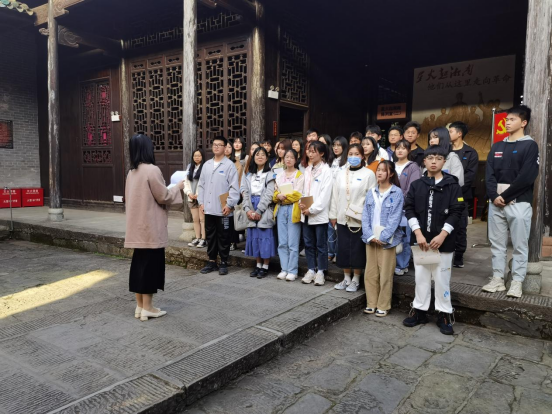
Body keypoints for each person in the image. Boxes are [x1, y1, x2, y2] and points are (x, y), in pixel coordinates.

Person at [402, 145, 464, 335]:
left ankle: (444, 314)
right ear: (424, 161)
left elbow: (456, 211)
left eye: (438, 158)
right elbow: (409, 208)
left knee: (442, 279)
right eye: (430, 158)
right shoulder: (417, 185)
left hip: (443, 241)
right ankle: (419, 310)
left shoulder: (452, 185)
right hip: (422, 241)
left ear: (444, 161)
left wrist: (443, 234)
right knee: (421, 277)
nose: (434, 161)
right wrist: (418, 233)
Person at [124, 134, 185, 321]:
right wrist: (178, 187)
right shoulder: (152, 170)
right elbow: (163, 196)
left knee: (139, 266)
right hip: (151, 227)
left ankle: (140, 306)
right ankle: (148, 308)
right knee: (151, 267)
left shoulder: (131, 172)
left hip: (137, 227)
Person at [482, 105, 539, 298]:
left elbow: (527, 176)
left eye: (512, 119)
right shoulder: (497, 146)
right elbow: (489, 174)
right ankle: (497, 279)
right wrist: (494, 196)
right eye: (506, 119)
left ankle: (516, 282)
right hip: (496, 203)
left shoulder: (530, 146)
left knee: (520, 245)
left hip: (519, 202)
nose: (507, 122)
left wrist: (504, 196)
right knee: (497, 244)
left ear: (524, 123)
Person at [330, 144, 376, 292]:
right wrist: (333, 215)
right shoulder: (341, 173)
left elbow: (371, 198)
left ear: (362, 156)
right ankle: (346, 278)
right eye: (351, 154)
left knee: (357, 249)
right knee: (343, 248)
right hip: (342, 216)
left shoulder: (369, 174)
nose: (353, 157)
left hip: (359, 218)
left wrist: (368, 218)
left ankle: (356, 279)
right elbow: (335, 195)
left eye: (357, 154)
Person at [362, 161, 404, 317]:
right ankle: (371, 303)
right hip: (371, 238)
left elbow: (395, 218)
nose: (379, 173)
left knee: (385, 274)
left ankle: (383, 305)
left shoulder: (396, 192)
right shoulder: (371, 192)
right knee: (370, 273)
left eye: (383, 170)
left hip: (388, 240)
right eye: (378, 170)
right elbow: (365, 216)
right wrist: (370, 235)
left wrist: (383, 237)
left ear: (390, 173)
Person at [198, 136, 240, 275]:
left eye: (219, 145)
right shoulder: (207, 165)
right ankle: (211, 261)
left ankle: (223, 262)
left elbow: (234, 187)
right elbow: (201, 185)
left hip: (223, 209)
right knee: (210, 236)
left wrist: (229, 204)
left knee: (224, 236)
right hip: (209, 208)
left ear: (225, 147)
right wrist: (201, 202)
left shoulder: (229, 165)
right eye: (214, 144)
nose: (216, 147)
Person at [300, 141, 333, 286]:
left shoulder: (327, 171)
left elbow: (325, 196)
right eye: (309, 151)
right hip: (306, 213)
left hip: (319, 214)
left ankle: (321, 271)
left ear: (322, 153)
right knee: (308, 243)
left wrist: (312, 209)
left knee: (320, 244)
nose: (310, 154)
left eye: (314, 151)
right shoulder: (307, 170)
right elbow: (303, 191)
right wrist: (302, 204)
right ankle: (311, 269)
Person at [241, 147, 277, 278]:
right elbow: (244, 192)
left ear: (267, 158)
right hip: (251, 205)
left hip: (264, 208)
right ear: (253, 157)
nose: (260, 157)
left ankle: (265, 266)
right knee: (254, 236)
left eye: (262, 155)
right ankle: (258, 264)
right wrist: (247, 209)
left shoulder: (270, 174)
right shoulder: (248, 174)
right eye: (257, 154)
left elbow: (269, 194)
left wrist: (259, 210)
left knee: (264, 236)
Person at [449, 121, 479, 268]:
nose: (448, 134)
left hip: (461, 195)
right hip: (444, 194)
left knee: (460, 226)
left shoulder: (470, 153)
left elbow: (470, 176)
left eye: (451, 131)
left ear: (459, 133)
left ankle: (459, 255)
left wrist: (454, 189)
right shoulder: (445, 151)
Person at [273, 149, 304, 281]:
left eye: (291, 157)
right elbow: (275, 193)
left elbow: (298, 194)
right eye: (287, 157)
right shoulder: (279, 175)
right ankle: (284, 269)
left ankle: (292, 270)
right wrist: (277, 196)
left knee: (293, 242)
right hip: (280, 209)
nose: (289, 159)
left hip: (293, 209)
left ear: (296, 159)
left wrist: (282, 197)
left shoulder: (300, 175)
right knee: (282, 242)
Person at [394, 139, 422, 275]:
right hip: (390, 208)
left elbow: (413, 188)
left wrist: (398, 200)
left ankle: (402, 265)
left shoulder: (413, 167)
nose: (400, 150)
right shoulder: (391, 165)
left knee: (404, 237)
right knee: (392, 236)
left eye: (403, 148)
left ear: (408, 150)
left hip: (405, 208)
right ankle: (393, 263)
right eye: (397, 148)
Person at [184, 148, 207, 249]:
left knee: (202, 219)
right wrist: (189, 193)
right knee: (195, 219)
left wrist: (198, 194)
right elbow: (185, 182)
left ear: (202, 157)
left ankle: (204, 239)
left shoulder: (205, 167)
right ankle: (197, 237)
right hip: (191, 197)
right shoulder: (190, 167)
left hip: (201, 198)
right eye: (195, 156)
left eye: (199, 155)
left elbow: (206, 183)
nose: (197, 157)